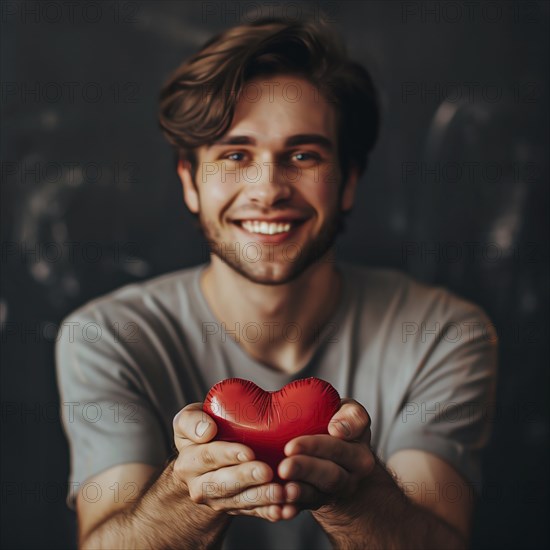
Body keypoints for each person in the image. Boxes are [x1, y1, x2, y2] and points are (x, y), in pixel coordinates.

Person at [56, 16, 498, 549]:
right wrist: (187, 492)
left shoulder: (445, 334)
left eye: (303, 155)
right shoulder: (103, 337)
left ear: (350, 181)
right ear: (189, 183)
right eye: (235, 155)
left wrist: (355, 496)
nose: (267, 189)